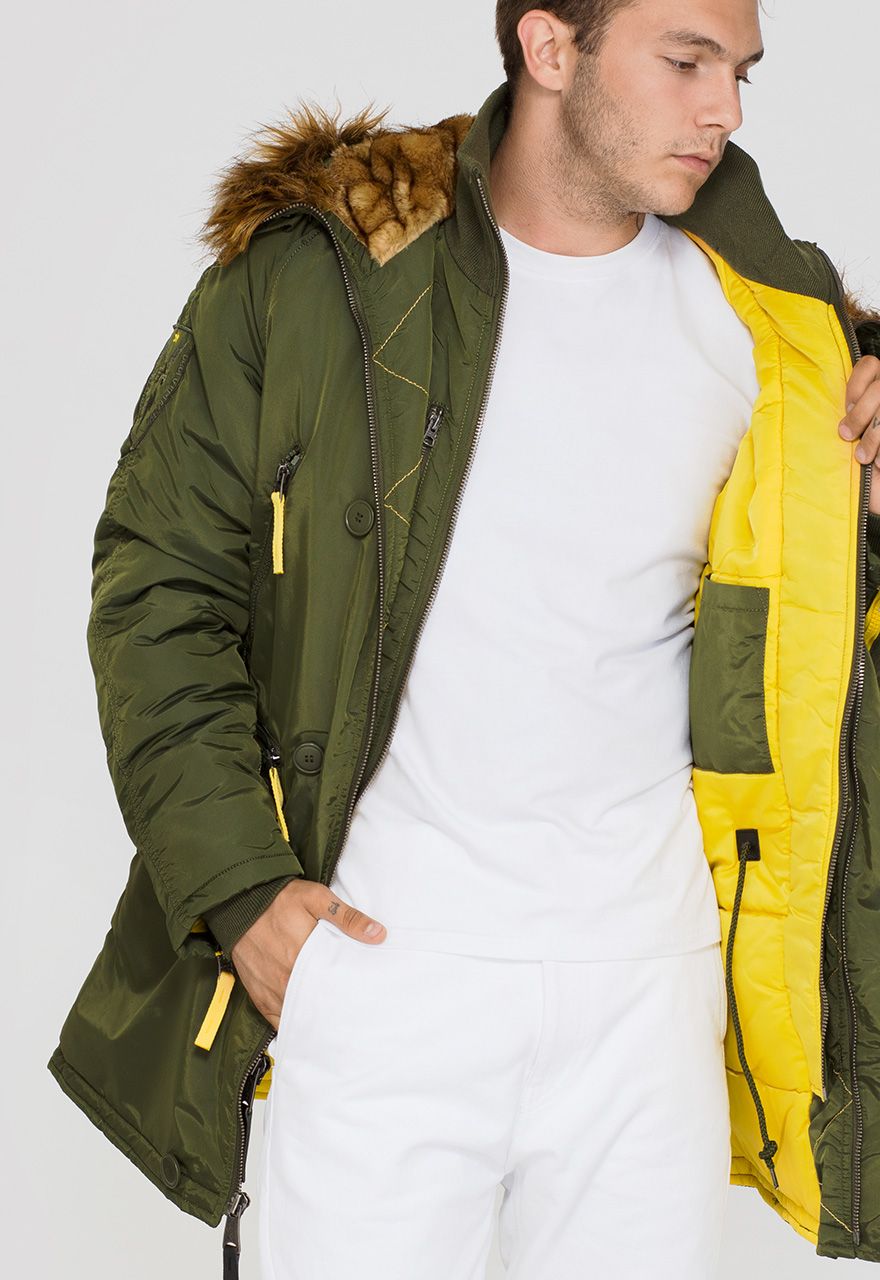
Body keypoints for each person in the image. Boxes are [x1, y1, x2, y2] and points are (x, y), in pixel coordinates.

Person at [48, 1, 880, 1277]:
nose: (724, 110)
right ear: (550, 49)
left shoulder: (777, 328)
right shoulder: (328, 275)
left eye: (739, 72)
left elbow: (824, 644)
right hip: (380, 970)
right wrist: (239, 890)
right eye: (685, 61)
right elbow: (157, 582)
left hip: (650, 991)